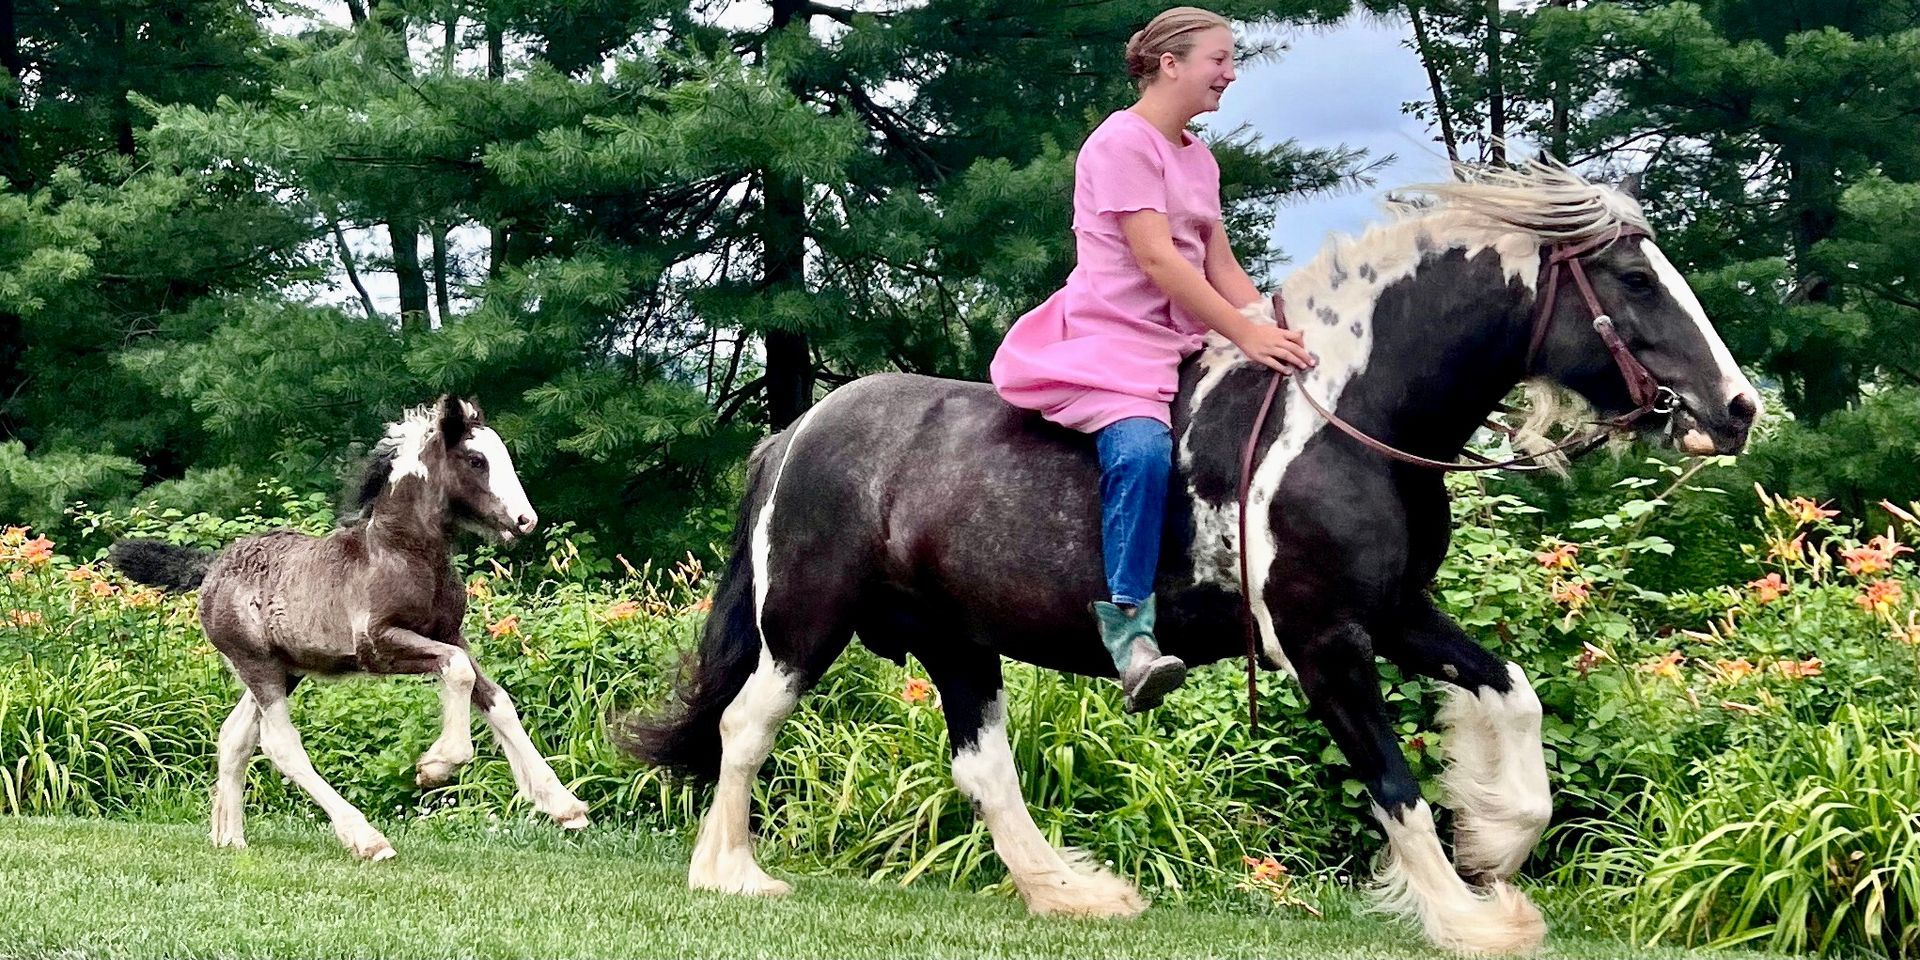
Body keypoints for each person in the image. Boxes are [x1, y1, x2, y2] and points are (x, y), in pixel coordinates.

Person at [990, 6, 1313, 712]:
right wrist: (1244, 333)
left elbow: (1218, 261)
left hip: (1182, 338)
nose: (1231, 74)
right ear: (1171, 64)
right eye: (1219, 59)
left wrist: (1273, 328)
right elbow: (1159, 259)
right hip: (1114, 341)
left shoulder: (1197, 154)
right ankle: (1129, 631)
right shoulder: (1120, 144)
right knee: (1140, 451)